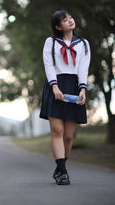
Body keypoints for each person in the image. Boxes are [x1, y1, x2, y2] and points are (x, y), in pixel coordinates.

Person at [39, 10, 91, 185]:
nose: (70, 20)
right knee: (57, 131)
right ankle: (62, 171)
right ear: (57, 26)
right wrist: (54, 86)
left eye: (70, 17)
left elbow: (84, 67)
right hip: (56, 85)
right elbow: (49, 64)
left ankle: (60, 167)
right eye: (64, 19)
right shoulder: (51, 42)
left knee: (68, 136)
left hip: (75, 86)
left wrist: (83, 89)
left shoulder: (83, 44)